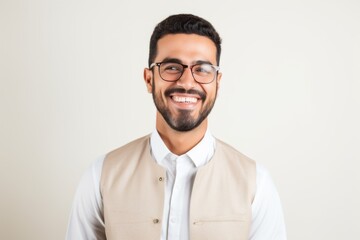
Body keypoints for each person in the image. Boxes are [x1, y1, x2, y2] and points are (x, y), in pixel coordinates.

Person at [66, 14, 286, 240]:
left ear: (217, 83)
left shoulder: (256, 184)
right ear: (149, 79)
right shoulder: (100, 176)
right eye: (171, 67)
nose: (186, 82)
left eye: (202, 69)